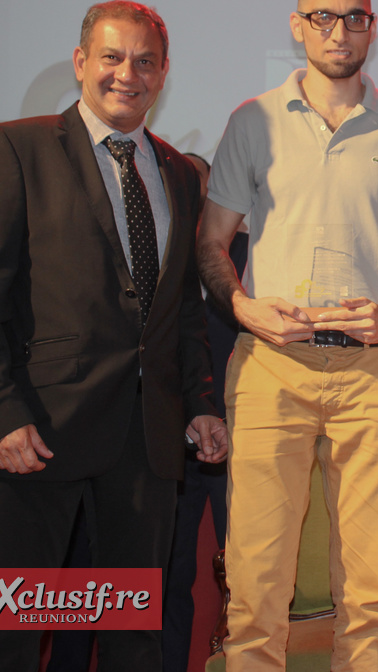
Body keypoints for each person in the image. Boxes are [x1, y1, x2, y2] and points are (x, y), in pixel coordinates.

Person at [0, 0, 228, 671]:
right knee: (6, 630)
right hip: (37, 434)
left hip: (147, 445)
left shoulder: (181, 174)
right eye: (111, 56)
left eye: (144, 61)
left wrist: (200, 402)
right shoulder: (12, 148)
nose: (126, 74)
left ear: (162, 75)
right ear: (80, 63)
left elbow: (180, 309)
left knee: (133, 633)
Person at [197, 0, 378, 671]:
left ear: (372, 26)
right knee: (255, 587)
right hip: (272, 369)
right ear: (298, 26)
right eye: (323, 18)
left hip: (376, 374)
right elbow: (211, 245)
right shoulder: (252, 122)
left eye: (354, 17)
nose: (339, 31)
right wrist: (245, 309)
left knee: (371, 600)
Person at [162, 153, 248, 672]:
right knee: (164, 575)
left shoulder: (251, 252)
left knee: (248, 576)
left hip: (239, 437)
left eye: (202, 188)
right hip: (166, 443)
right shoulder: (155, 255)